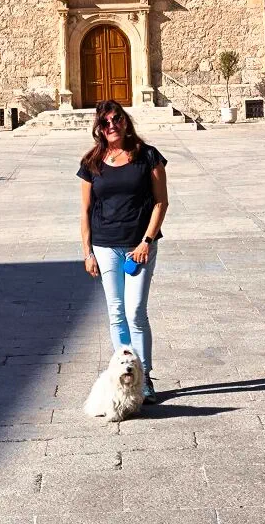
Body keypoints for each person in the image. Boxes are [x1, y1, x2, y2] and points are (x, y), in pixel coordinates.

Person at [78, 99, 169, 404]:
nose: (112, 125)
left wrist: (147, 241)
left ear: (125, 120)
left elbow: (161, 202)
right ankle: (122, 377)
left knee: (135, 312)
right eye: (105, 122)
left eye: (116, 118)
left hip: (139, 247)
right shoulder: (92, 162)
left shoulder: (148, 156)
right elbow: (85, 210)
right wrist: (87, 252)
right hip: (105, 246)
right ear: (99, 128)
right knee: (116, 313)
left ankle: (145, 378)